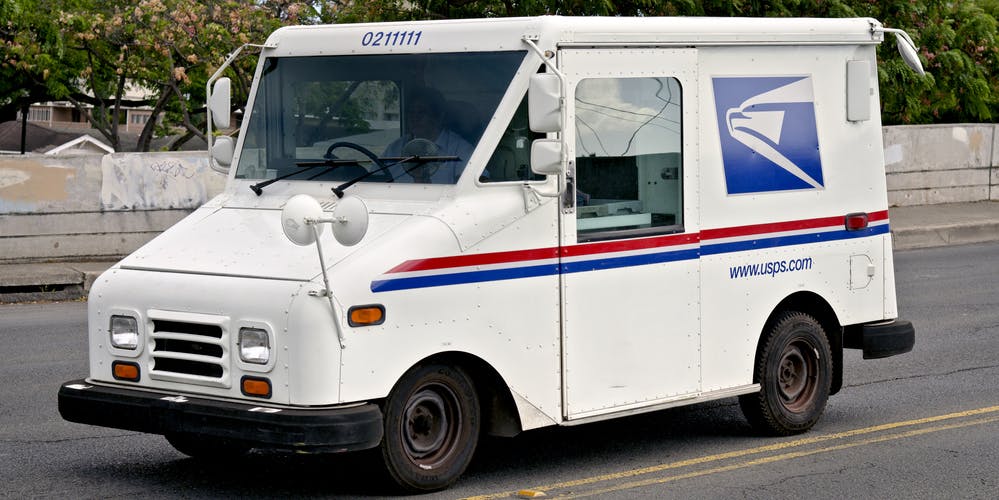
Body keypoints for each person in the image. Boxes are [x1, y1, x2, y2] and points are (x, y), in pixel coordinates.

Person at [383, 86, 475, 183]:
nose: (414, 118)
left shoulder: (460, 149)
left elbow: (468, 189)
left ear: (439, 116)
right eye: (411, 112)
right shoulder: (395, 148)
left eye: (421, 112)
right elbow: (375, 177)